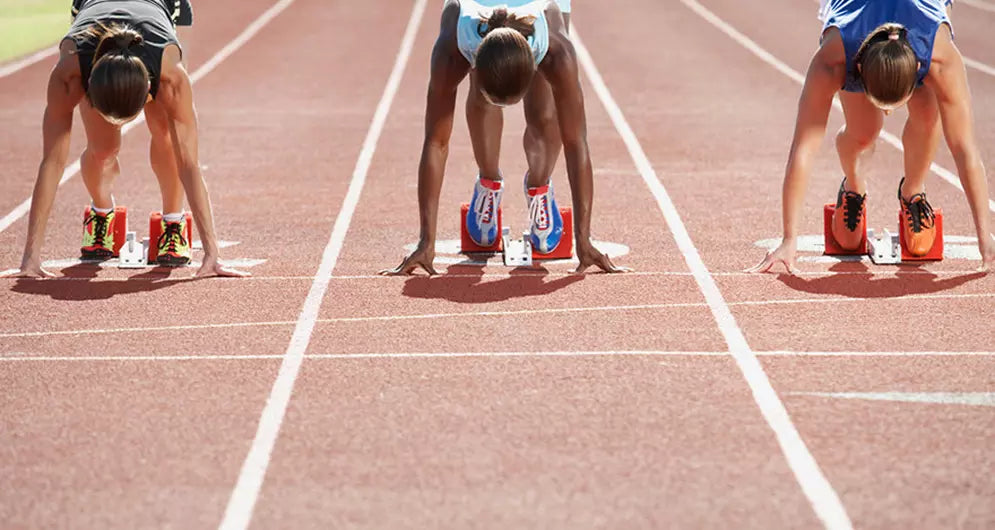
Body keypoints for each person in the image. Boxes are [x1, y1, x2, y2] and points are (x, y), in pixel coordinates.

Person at [381, 0, 629, 275]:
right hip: (477, 22)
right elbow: (436, 141)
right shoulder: (453, 46)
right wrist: (425, 241)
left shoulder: (556, 51)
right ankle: (488, 182)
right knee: (484, 105)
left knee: (546, 113)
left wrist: (585, 238)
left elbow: (575, 141)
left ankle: (540, 187)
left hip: (537, 15)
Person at [2, 0, 246, 278]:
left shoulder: (170, 77)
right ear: (89, 88)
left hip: (166, 10)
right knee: (103, 148)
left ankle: (173, 223)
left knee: (166, 132)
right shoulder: (70, 70)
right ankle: (102, 212)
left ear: (149, 91)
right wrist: (29, 258)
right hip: (92, 14)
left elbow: (189, 162)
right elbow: (52, 162)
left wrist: (213, 253)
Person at [749, 0, 994, 273]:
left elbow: (964, 148)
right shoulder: (833, 60)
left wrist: (986, 239)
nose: (889, 113)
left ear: (916, 69)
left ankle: (913, 192)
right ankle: (854, 187)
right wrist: (789, 238)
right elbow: (803, 148)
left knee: (928, 113)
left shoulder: (940, 57)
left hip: (919, 15)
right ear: (860, 71)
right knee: (864, 132)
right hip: (856, 16)